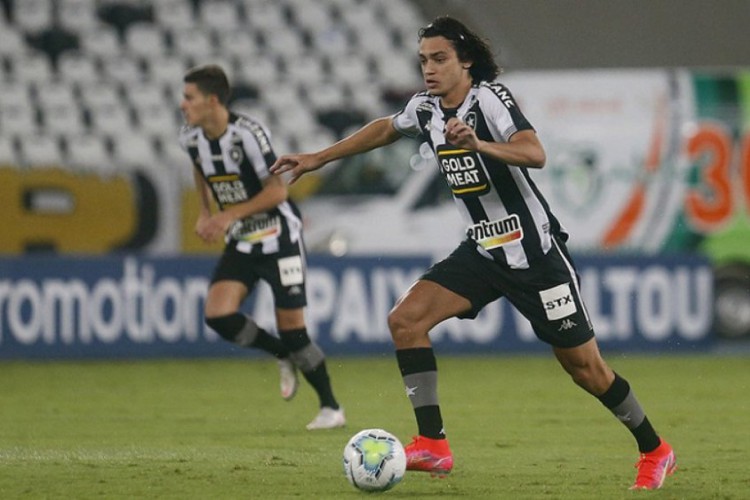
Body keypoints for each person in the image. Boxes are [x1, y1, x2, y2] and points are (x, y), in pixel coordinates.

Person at [271, 16, 676, 489]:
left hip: (535, 256)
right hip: (483, 251)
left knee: (586, 370)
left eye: (439, 59)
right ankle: (433, 444)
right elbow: (385, 128)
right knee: (406, 320)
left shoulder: (489, 100)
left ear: (465, 61)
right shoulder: (425, 109)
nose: (429, 69)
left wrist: (479, 144)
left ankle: (655, 449)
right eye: (423, 60)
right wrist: (318, 157)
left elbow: (535, 153)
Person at [178, 64, 345, 430]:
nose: (182, 104)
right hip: (242, 239)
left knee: (294, 331)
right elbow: (200, 169)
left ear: (212, 100)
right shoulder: (190, 137)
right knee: (218, 315)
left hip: (278, 237)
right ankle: (280, 354)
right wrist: (205, 211)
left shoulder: (248, 135)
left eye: (189, 97)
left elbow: (277, 192)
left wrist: (227, 215)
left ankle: (331, 408)